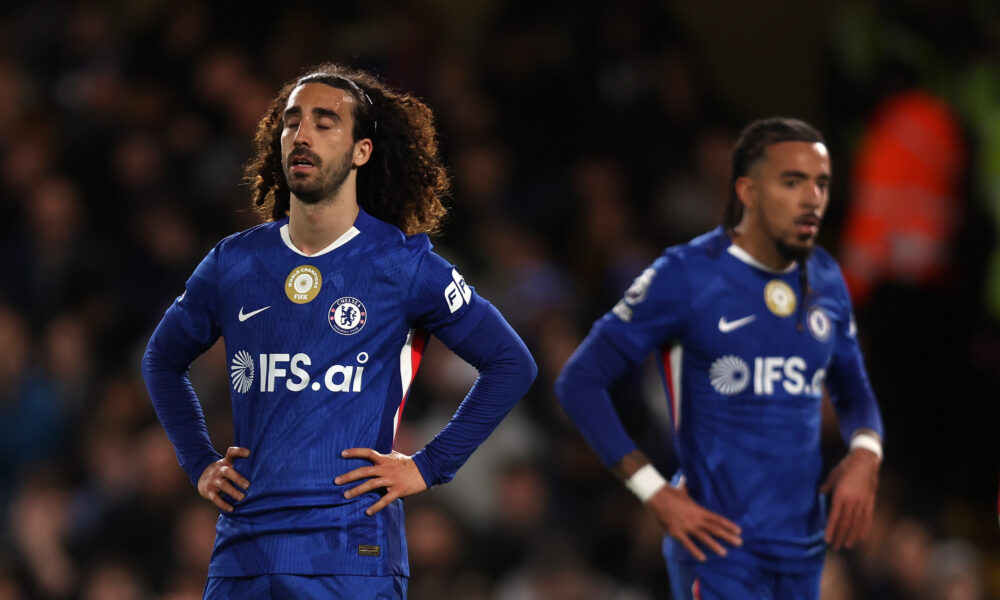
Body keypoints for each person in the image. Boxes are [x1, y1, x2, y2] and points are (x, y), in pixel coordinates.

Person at [141, 63, 537, 599]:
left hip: (352, 558)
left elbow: (512, 364)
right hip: (244, 556)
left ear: (361, 152)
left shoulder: (403, 265)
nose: (301, 134)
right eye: (291, 122)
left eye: (324, 123)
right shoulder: (234, 263)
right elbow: (162, 360)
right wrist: (198, 461)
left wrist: (429, 466)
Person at [555, 117, 883, 599]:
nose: (812, 198)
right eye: (793, 182)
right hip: (716, 539)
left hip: (798, 539)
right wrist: (653, 490)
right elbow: (580, 381)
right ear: (747, 191)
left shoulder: (825, 278)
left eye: (821, 183)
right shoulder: (683, 275)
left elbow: (854, 390)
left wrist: (865, 454)